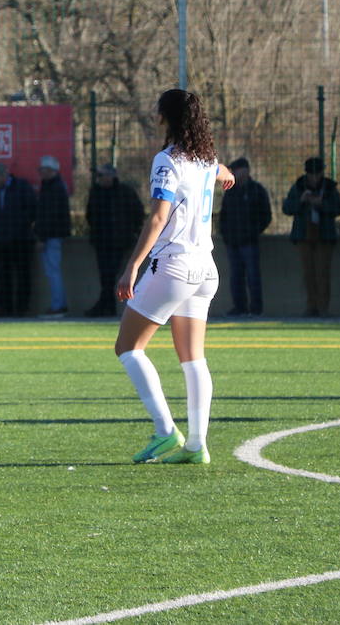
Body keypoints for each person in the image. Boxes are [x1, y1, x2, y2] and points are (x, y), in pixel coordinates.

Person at [115, 88, 234, 466]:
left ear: (166, 118)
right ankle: (197, 444)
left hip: (175, 265)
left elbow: (157, 217)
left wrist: (134, 264)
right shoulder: (206, 158)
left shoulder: (166, 160)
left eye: (158, 113)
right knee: (192, 357)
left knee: (128, 347)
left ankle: (166, 432)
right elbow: (218, 170)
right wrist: (225, 172)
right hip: (205, 269)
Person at [282, 156, 340, 317]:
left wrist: (321, 204)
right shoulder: (299, 187)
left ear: (322, 173)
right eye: (311, 174)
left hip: (324, 235)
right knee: (308, 273)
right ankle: (311, 306)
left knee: (323, 272)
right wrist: (301, 201)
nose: (314, 177)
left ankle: (324, 308)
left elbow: (338, 209)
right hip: (304, 235)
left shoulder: (329, 187)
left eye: (317, 174)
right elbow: (287, 208)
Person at [84, 165, 145, 317]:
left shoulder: (125, 192)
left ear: (111, 176)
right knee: (105, 275)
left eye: (102, 176)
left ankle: (104, 306)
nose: (100, 179)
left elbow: (138, 213)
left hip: (119, 241)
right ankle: (107, 307)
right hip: (101, 241)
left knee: (110, 275)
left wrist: (133, 232)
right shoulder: (96, 192)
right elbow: (90, 215)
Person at [218, 157, 272, 317]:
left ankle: (256, 309)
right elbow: (224, 216)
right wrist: (226, 235)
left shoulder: (257, 190)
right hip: (232, 242)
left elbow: (266, 216)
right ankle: (239, 307)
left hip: (249, 242)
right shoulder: (231, 192)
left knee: (253, 276)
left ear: (246, 170)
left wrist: (254, 232)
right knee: (236, 277)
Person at [0, 162, 36, 317]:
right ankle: (5, 308)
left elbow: (32, 209)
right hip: (2, 240)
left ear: (3, 176)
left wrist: (22, 227)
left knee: (23, 274)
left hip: (21, 239)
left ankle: (22, 308)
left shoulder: (22, 187)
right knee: (4, 275)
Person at [35, 155, 72, 318]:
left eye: (43, 170)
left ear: (51, 171)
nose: (41, 173)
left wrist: (42, 237)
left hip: (52, 236)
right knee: (53, 271)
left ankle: (58, 306)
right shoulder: (52, 186)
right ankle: (59, 305)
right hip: (52, 235)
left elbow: (49, 215)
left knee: (53, 271)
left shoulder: (54, 187)